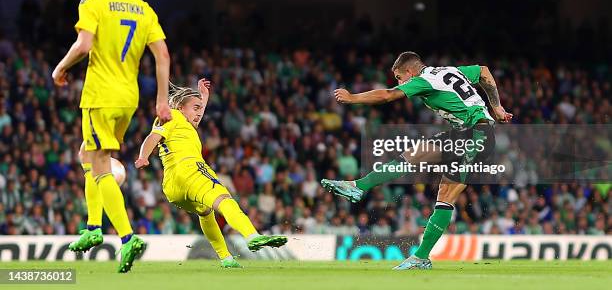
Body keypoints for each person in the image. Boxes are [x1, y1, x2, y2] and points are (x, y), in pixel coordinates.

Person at [321, 51, 512, 270]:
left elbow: (387, 95)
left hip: (477, 135)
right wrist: (496, 106)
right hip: (464, 132)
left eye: (400, 78)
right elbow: (483, 72)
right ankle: (358, 186)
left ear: (410, 72)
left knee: (447, 193)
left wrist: (353, 98)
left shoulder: (423, 80)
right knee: (414, 156)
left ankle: (421, 256)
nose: (400, 83)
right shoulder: (450, 71)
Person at [52, 0, 171, 273]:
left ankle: (126, 237)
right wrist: (162, 99)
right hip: (128, 99)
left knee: (99, 162)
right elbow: (162, 56)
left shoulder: (94, 2)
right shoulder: (143, 8)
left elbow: (84, 44)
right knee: (87, 154)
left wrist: (60, 68)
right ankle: (92, 228)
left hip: (100, 95)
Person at [136, 79, 287, 267]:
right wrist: (143, 156)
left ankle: (226, 258)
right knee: (225, 200)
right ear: (181, 108)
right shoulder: (172, 115)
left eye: (201, 109)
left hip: (173, 188)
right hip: (190, 171)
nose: (200, 113)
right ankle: (252, 236)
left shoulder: (184, 124)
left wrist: (204, 97)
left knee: (205, 211)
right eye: (196, 108)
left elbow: (187, 118)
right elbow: (152, 136)